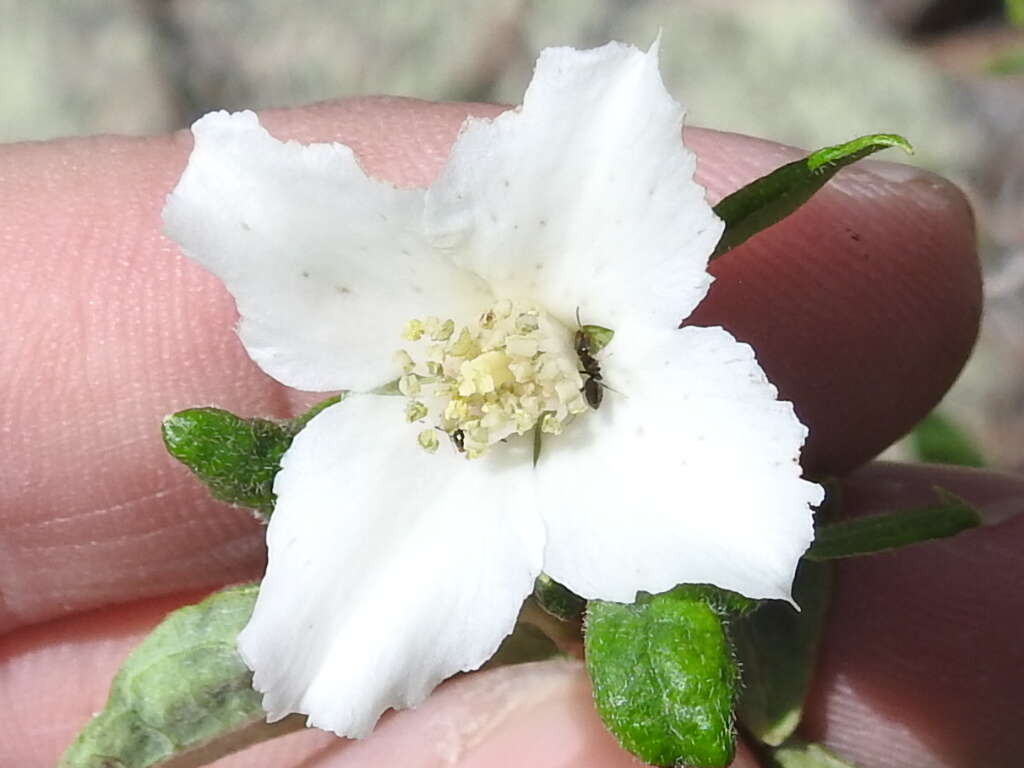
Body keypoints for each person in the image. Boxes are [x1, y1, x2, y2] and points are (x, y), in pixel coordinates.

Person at [0, 98, 1019, 768]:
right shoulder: (409, 445)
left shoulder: (597, 271)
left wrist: (766, 552)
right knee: (341, 647)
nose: (482, 376)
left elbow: (602, 124)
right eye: (466, 371)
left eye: (494, 365)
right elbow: (249, 204)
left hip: (628, 419)